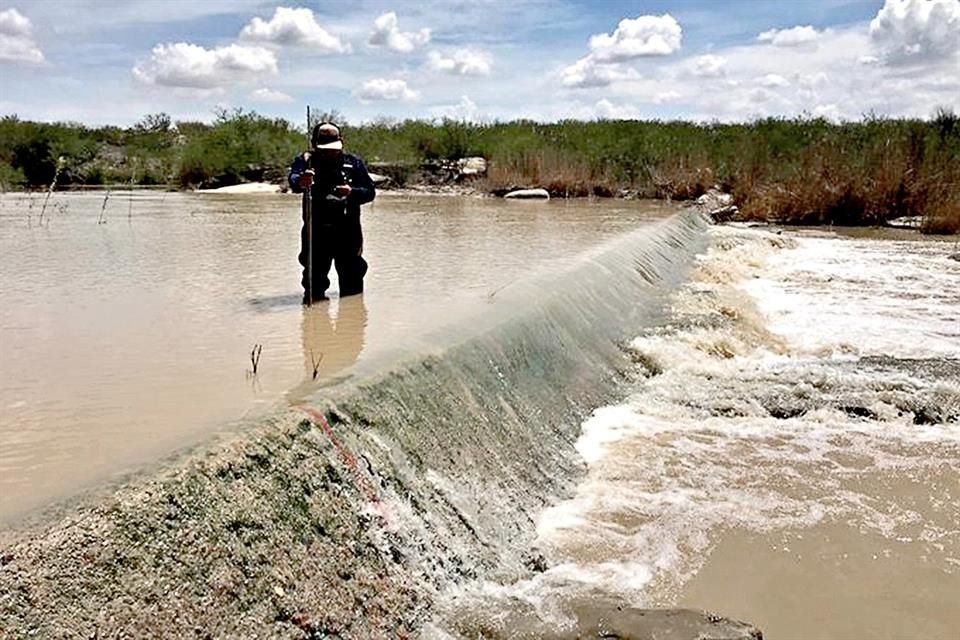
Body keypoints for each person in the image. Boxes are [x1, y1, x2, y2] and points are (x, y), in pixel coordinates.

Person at [288, 122, 375, 303]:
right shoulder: (306, 162)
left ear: (341, 142)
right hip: (316, 232)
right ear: (314, 143)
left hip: (348, 232)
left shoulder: (354, 162)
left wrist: (351, 192)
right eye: (325, 148)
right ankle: (315, 326)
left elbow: (370, 192)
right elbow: (294, 181)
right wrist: (303, 181)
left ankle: (351, 323)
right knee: (313, 286)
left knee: (352, 284)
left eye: (334, 148)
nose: (330, 152)